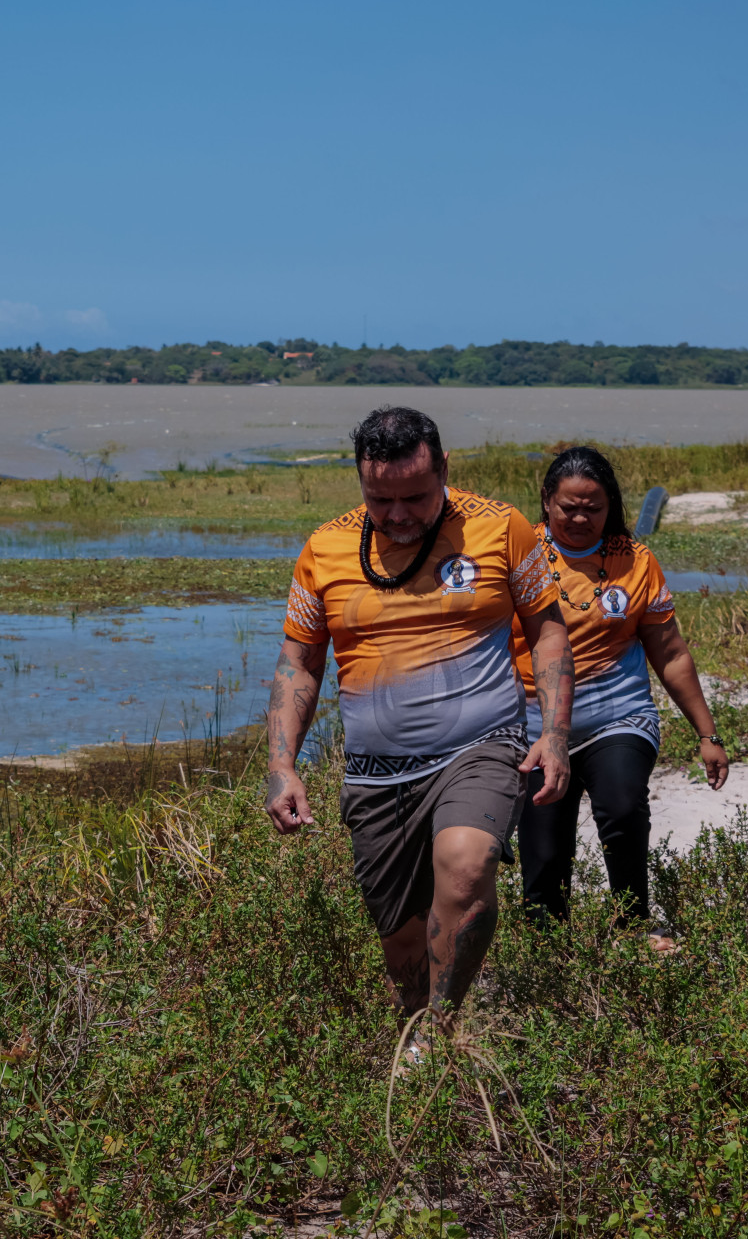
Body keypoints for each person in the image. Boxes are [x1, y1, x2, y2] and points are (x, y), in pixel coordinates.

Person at [264, 406, 573, 1037]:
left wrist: (555, 733)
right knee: (403, 948)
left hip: (482, 746)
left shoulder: (501, 528)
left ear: (445, 470)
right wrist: (281, 767)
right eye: (381, 499)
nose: (399, 513)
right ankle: (418, 1032)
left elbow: (547, 630)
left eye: (416, 496)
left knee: (466, 862)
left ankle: (440, 1034)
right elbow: (298, 663)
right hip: (377, 775)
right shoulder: (325, 548)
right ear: (360, 482)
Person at [508, 446, 729, 952]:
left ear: (612, 506)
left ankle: (633, 928)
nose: (581, 517)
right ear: (546, 502)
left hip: (618, 715)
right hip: (535, 727)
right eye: (569, 507)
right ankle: (549, 952)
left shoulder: (635, 561)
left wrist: (707, 733)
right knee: (545, 847)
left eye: (594, 507)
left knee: (623, 805)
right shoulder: (516, 557)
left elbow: (670, 653)